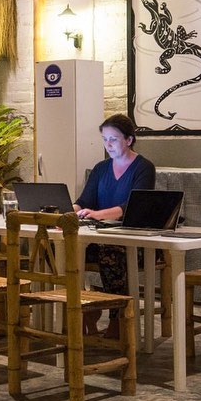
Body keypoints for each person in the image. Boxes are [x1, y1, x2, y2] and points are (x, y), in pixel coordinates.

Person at [73, 113, 155, 337]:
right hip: (99, 237)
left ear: (128, 140)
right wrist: (67, 211)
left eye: (113, 139)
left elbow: (132, 206)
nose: (108, 144)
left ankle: (117, 317)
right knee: (63, 250)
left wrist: (98, 214)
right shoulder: (100, 168)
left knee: (111, 253)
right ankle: (84, 307)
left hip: (131, 241)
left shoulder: (144, 168)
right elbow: (84, 201)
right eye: (105, 139)